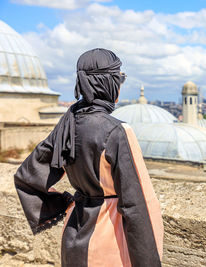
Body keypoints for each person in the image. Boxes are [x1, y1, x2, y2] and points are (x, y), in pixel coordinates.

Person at [14, 48, 163, 267]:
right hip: (110, 241)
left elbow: (27, 176)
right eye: (119, 78)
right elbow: (138, 207)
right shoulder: (117, 131)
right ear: (109, 83)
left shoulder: (68, 125)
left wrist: (66, 203)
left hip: (73, 235)